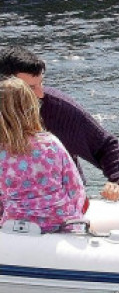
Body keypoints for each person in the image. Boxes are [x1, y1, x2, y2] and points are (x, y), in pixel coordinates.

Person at [0, 47, 119, 201]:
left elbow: (106, 145)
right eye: (30, 88)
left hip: (62, 207)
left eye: (41, 84)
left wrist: (118, 182)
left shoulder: (59, 109)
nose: (39, 94)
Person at [0, 77, 87, 232]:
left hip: (13, 225)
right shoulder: (50, 144)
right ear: (32, 107)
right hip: (59, 223)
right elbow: (74, 188)